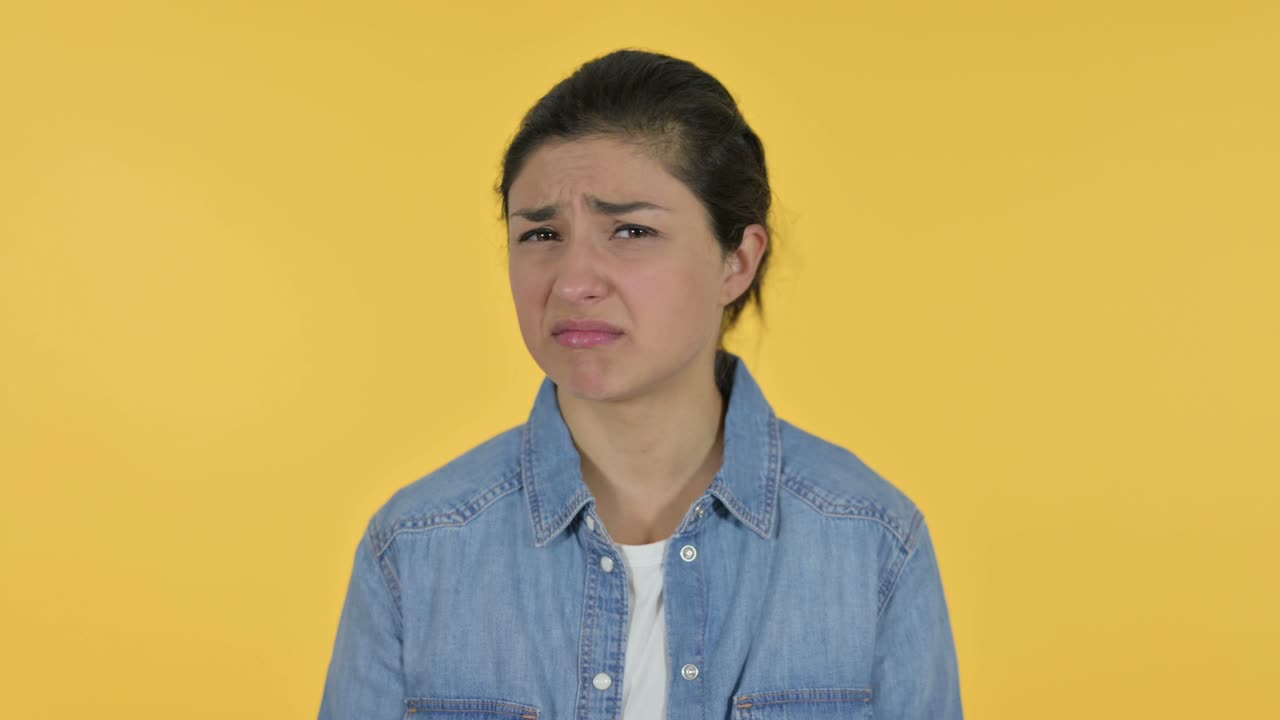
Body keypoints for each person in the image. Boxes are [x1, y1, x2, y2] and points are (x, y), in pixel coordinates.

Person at [318, 48, 962, 720]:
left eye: (631, 229)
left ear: (736, 261)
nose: (572, 281)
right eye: (540, 233)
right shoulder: (416, 548)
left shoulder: (871, 542)